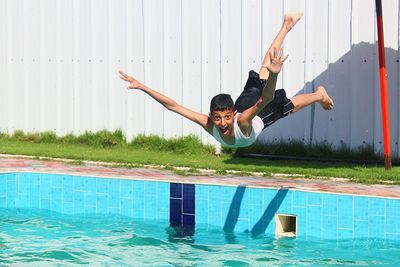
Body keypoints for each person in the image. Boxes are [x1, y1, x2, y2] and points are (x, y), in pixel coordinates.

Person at [119, 13, 334, 148]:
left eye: (226, 117)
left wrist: (276, 73)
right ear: (212, 115)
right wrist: (142, 86)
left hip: (257, 115)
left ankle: (319, 94)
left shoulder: (242, 121)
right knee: (262, 72)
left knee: (288, 104)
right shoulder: (209, 123)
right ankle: (286, 27)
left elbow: (266, 99)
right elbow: (173, 106)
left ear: (232, 114)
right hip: (243, 104)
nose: (222, 123)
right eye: (218, 117)